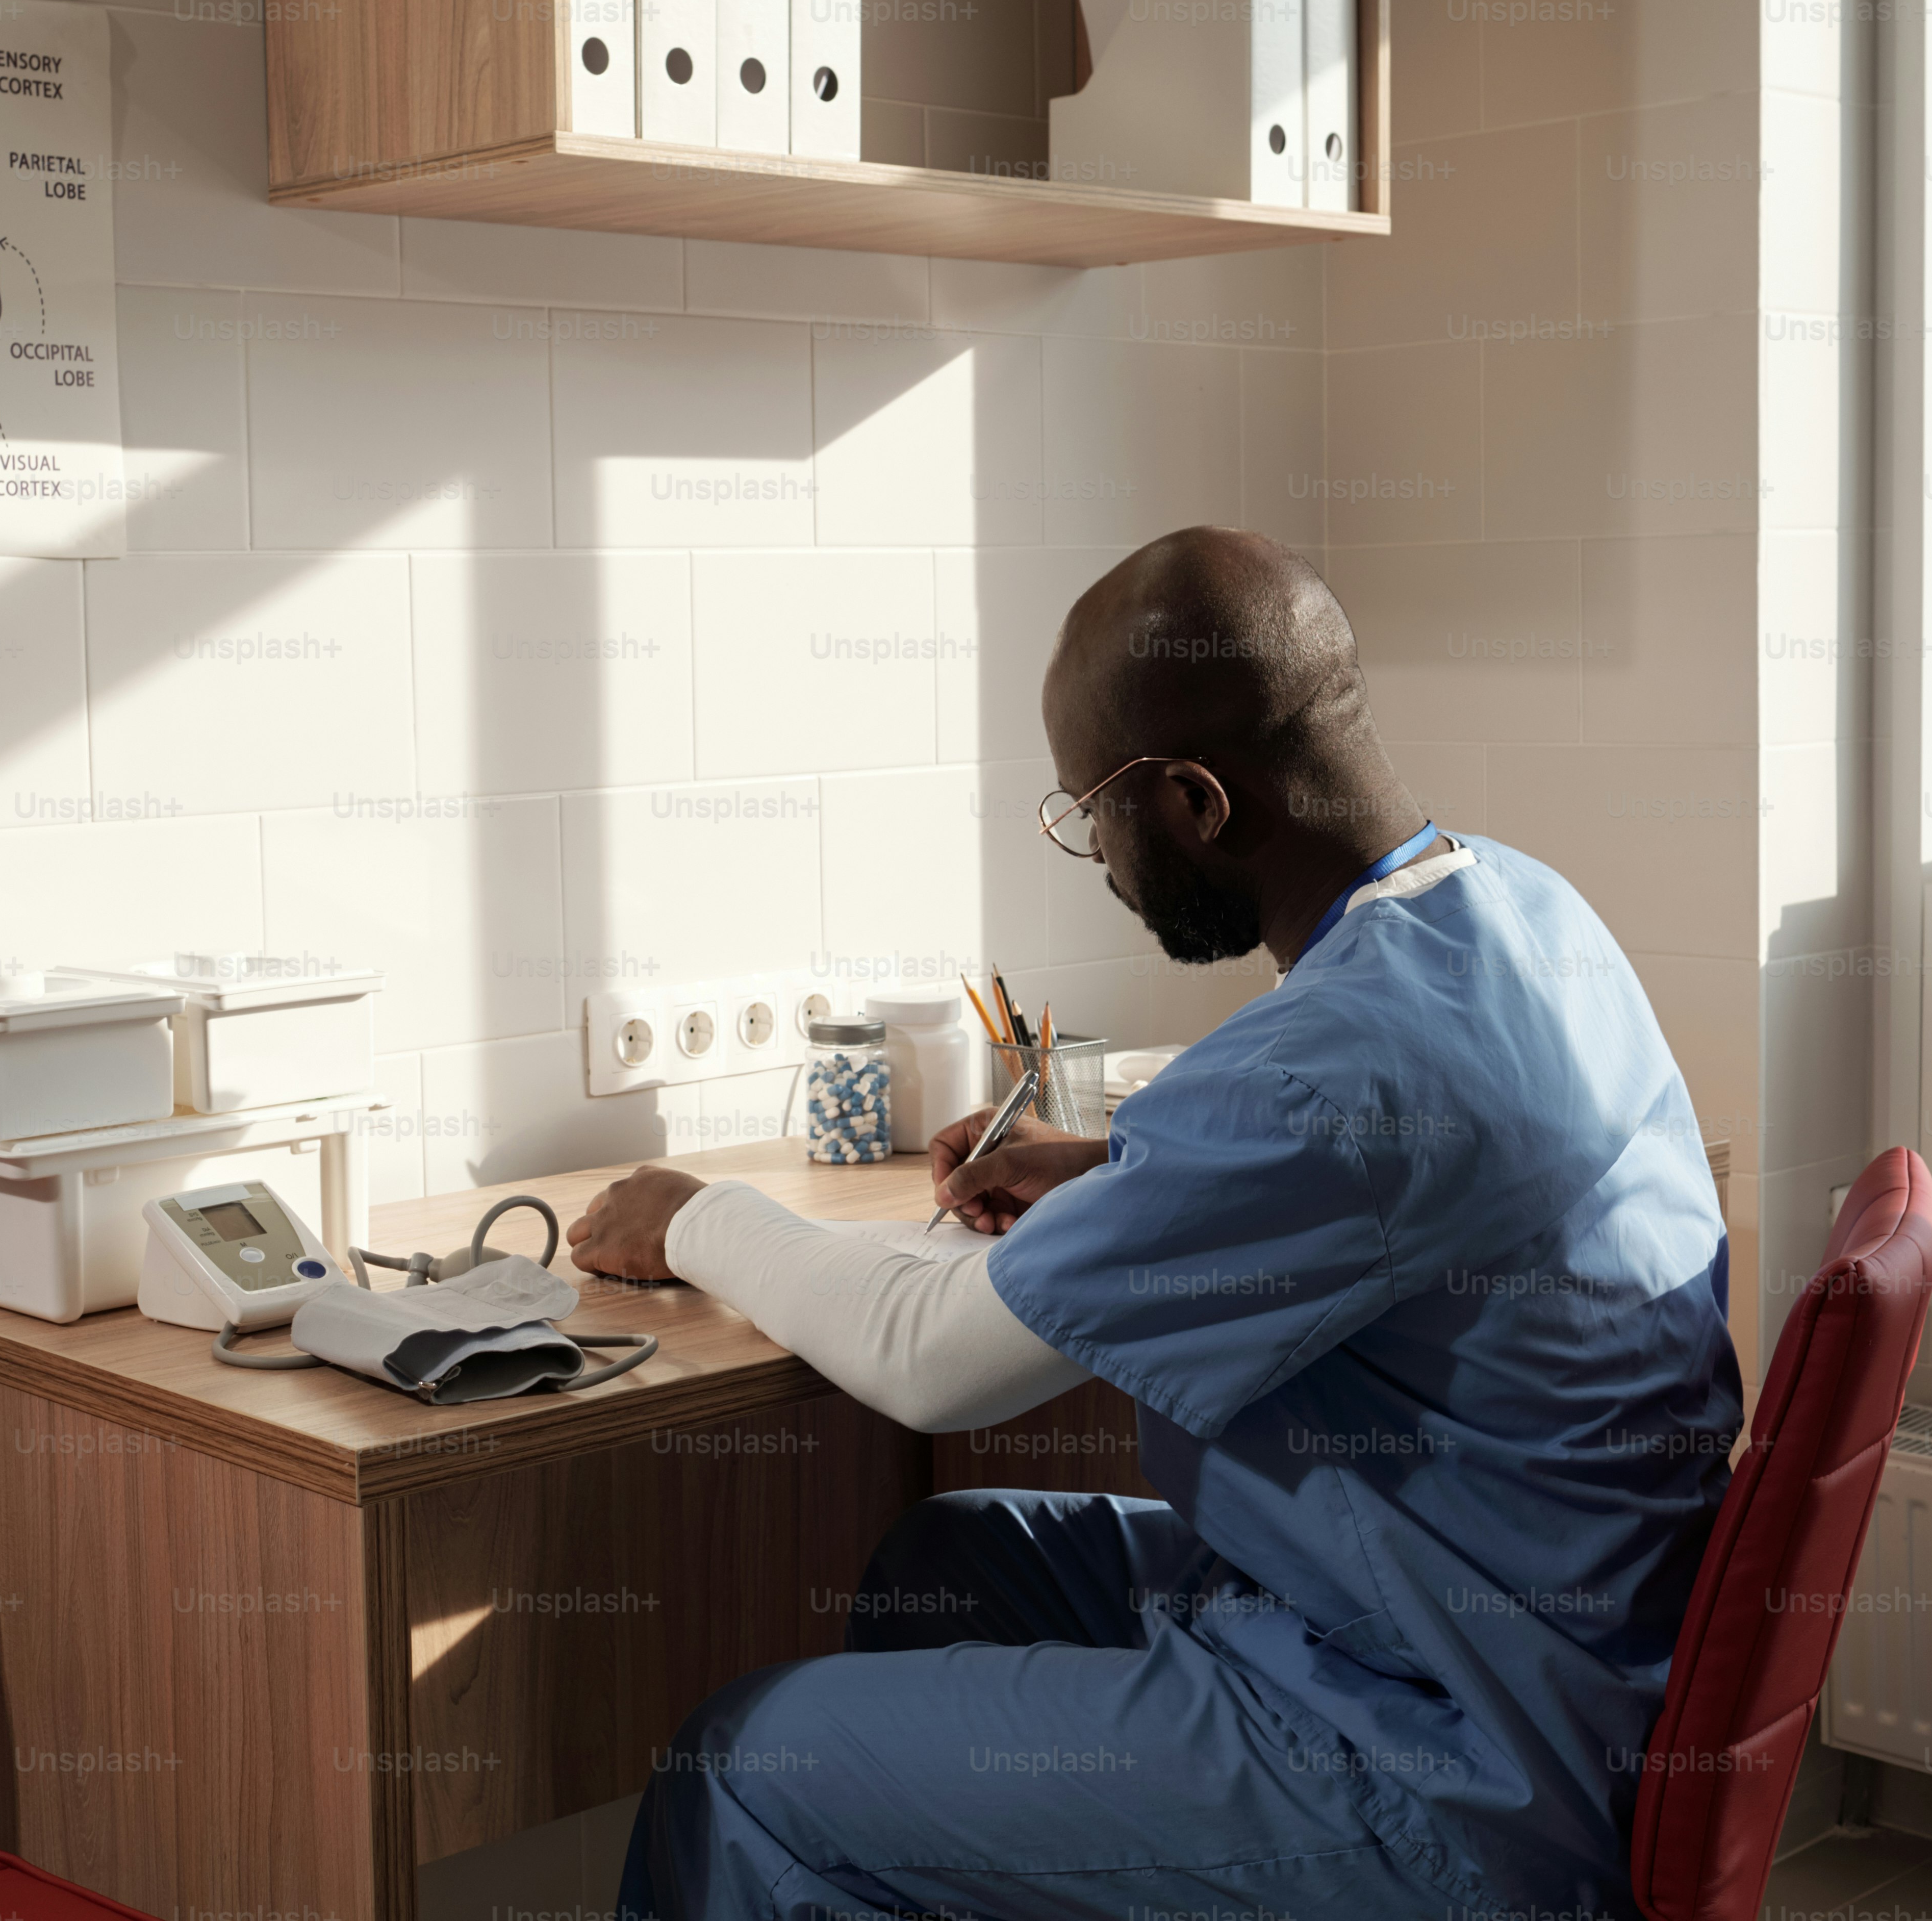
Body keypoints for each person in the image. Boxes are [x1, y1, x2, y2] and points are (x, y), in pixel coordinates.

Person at [570, 528, 1739, 1921]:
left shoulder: (1327, 1075)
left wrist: (695, 1215)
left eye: (1088, 815)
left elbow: (924, 1354)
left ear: (1191, 800)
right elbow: (1408, 1165)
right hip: (1557, 1656)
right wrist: (1124, 1164)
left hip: (1459, 1777)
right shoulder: (1520, 907)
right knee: (955, 1565)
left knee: (739, 1763)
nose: (1098, 861)